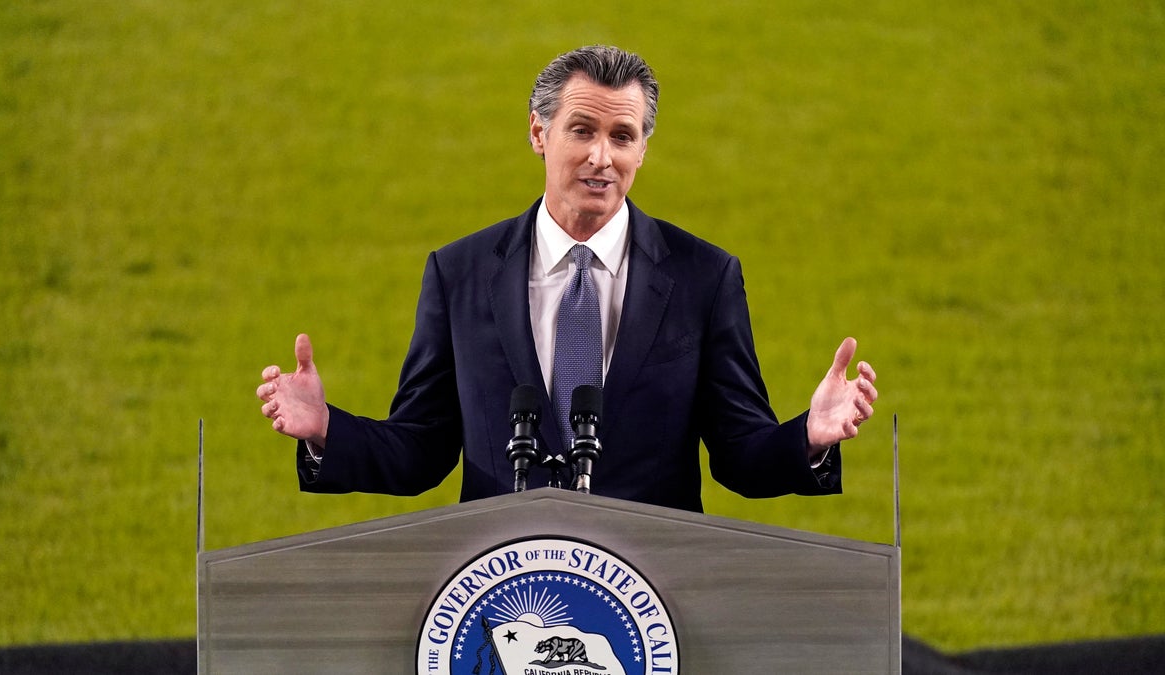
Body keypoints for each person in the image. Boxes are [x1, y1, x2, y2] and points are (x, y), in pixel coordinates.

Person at [256, 45, 878, 513]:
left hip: (647, 603)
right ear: (538, 133)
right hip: (504, 593)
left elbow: (741, 455)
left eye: (622, 136)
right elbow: (421, 449)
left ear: (642, 150)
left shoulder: (703, 277)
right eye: (581, 130)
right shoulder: (461, 273)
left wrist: (809, 438)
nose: (601, 157)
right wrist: (326, 430)